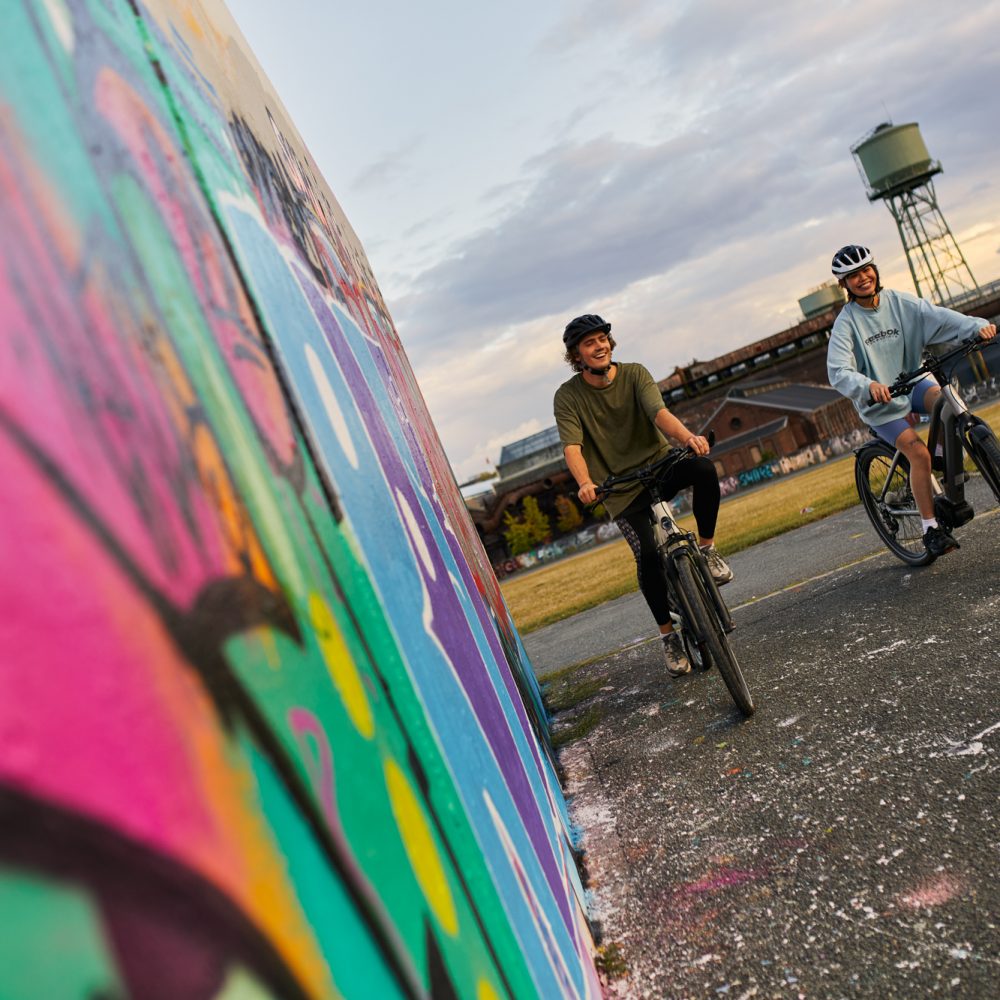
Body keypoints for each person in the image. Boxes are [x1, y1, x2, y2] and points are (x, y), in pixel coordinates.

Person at [553, 313, 732, 678]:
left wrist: (688, 439)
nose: (599, 346)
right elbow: (573, 446)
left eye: (602, 338)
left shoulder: (635, 373)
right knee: (648, 554)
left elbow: (658, 412)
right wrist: (586, 482)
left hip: (658, 464)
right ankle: (668, 635)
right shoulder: (568, 397)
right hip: (618, 487)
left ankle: (709, 550)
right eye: (589, 343)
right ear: (577, 355)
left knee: (703, 470)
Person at [826, 244, 997, 557]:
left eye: (866, 270)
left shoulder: (899, 302)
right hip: (881, 403)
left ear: (875, 270)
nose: (862, 278)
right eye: (853, 276)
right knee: (918, 456)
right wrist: (868, 385)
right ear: (844, 285)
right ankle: (931, 528)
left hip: (914, 382)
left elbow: (939, 318)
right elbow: (838, 371)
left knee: (948, 403)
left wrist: (976, 327)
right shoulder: (846, 324)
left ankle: (945, 466)